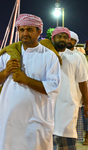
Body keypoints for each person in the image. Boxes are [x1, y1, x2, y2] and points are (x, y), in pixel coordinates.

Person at [0, 14, 61, 150]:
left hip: (36, 119)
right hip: (9, 119)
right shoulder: (8, 55)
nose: (25, 33)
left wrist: (26, 80)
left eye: (29, 29)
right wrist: (5, 72)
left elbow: (53, 87)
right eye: (21, 30)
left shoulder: (49, 56)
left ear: (39, 31)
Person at [48, 27, 88, 150]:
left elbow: (82, 81)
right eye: (59, 36)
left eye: (65, 37)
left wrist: (86, 103)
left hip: (68, 103)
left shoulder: (75, 57)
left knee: (67, 136)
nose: (62, 39)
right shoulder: (46, 55)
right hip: (47, 103)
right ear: (53, 38)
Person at [66, 30, 88, 142]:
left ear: (76, 42)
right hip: (60, 96)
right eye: (67, 38)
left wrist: (85, 99)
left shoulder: (80, 56)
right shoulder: (57, 54)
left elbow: (85, 79)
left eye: (72, 39)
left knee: (73, 124)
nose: (69, 41)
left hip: (76, 95)